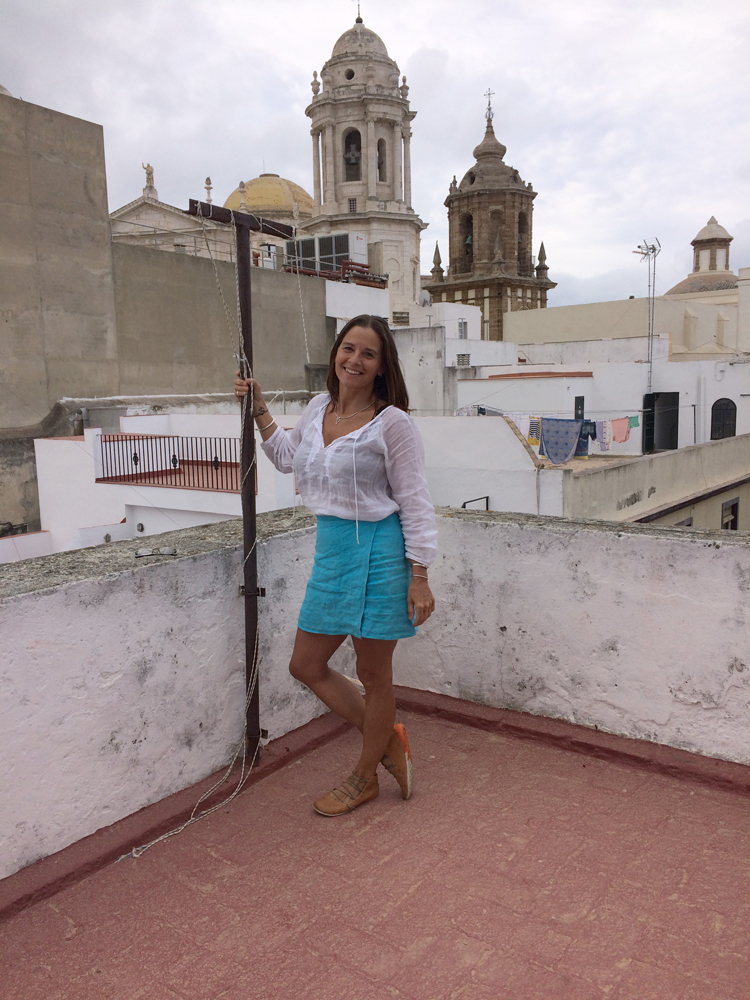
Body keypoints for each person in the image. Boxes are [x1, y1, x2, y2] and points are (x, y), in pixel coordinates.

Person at [234, 314, 437, 817]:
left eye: (369, 354)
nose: (355, 360)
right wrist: (259, 408)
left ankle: (365, 776)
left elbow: (414, 499)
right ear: (336, 353)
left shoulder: (392, 423)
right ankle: (387, 742)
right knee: (305, 664)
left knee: (374, 674)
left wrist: (420, 575)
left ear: (382, 366)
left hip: (381, 552)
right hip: (333, 550)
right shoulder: (318, 406)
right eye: (349, 348)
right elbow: (287, 457)